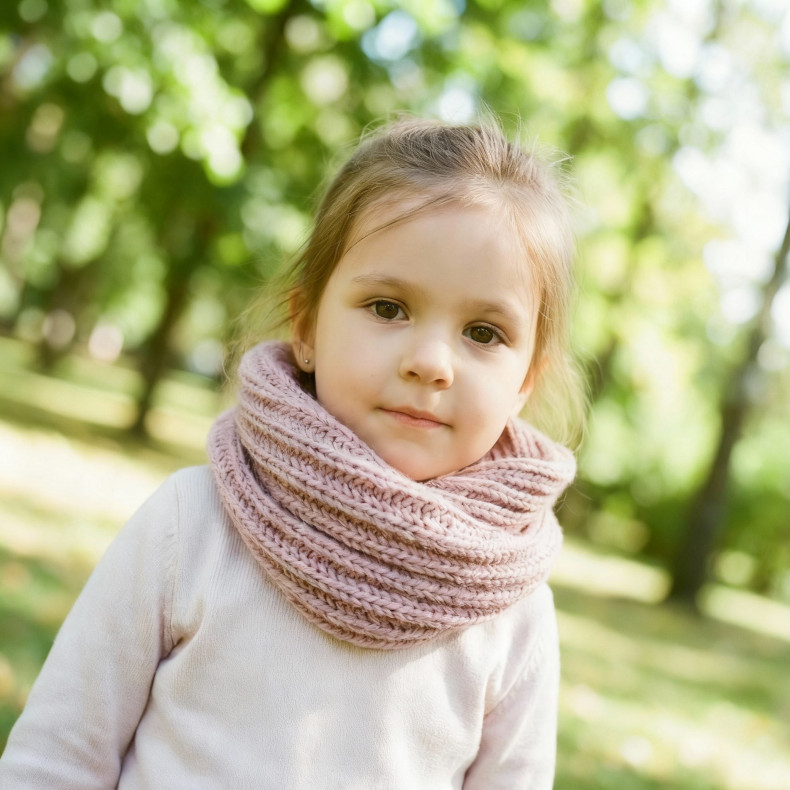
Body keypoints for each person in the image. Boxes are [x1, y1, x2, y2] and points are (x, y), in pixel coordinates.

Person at [0, 117, 581, 788]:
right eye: (388, 308)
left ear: (525, 382)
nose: (430, 363)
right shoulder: (194, 525)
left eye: (483, 331)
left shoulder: (509, 611)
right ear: (305, 325)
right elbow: (57, 758)